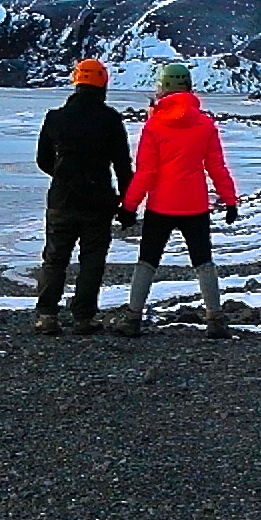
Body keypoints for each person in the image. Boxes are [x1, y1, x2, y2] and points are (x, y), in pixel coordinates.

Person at [115, 61, 239, 338]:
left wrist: (129, 206)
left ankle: (132, 318)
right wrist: (230, 200)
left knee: (147, 260)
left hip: (161, 204)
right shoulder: (205, 124)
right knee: (203, 260)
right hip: (195, 204)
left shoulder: (154, 126)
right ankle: (215, 320)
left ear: (163, 88)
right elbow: (216, 167)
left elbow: (147, 172)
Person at [31, 58, 133, 334]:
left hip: (62, 200)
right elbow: (123, 165)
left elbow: (42, 159)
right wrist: (128, 205)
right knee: (92, 260)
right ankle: (84, 317)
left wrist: (66, 178)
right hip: (99, 201)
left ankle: (47, 315)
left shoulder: (55, 118)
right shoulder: (110, 119)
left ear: (76, 82)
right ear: (102, 83)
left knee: (55, 257)